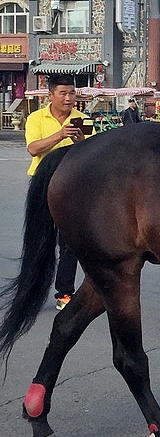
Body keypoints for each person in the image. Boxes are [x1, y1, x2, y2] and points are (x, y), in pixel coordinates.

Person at [24, 75, 89, 308]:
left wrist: (80, 142)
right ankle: (30, 293)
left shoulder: (82, 119)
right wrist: (60, 134)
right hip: (42, 184)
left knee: (69, 243)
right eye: (63, 93)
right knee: (40, 241)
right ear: (50, 95)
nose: (69, 98)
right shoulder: (36, 118)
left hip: (71, 188)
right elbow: (33, 149)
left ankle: (64, 293)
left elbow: (90, 157)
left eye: (72, 93)